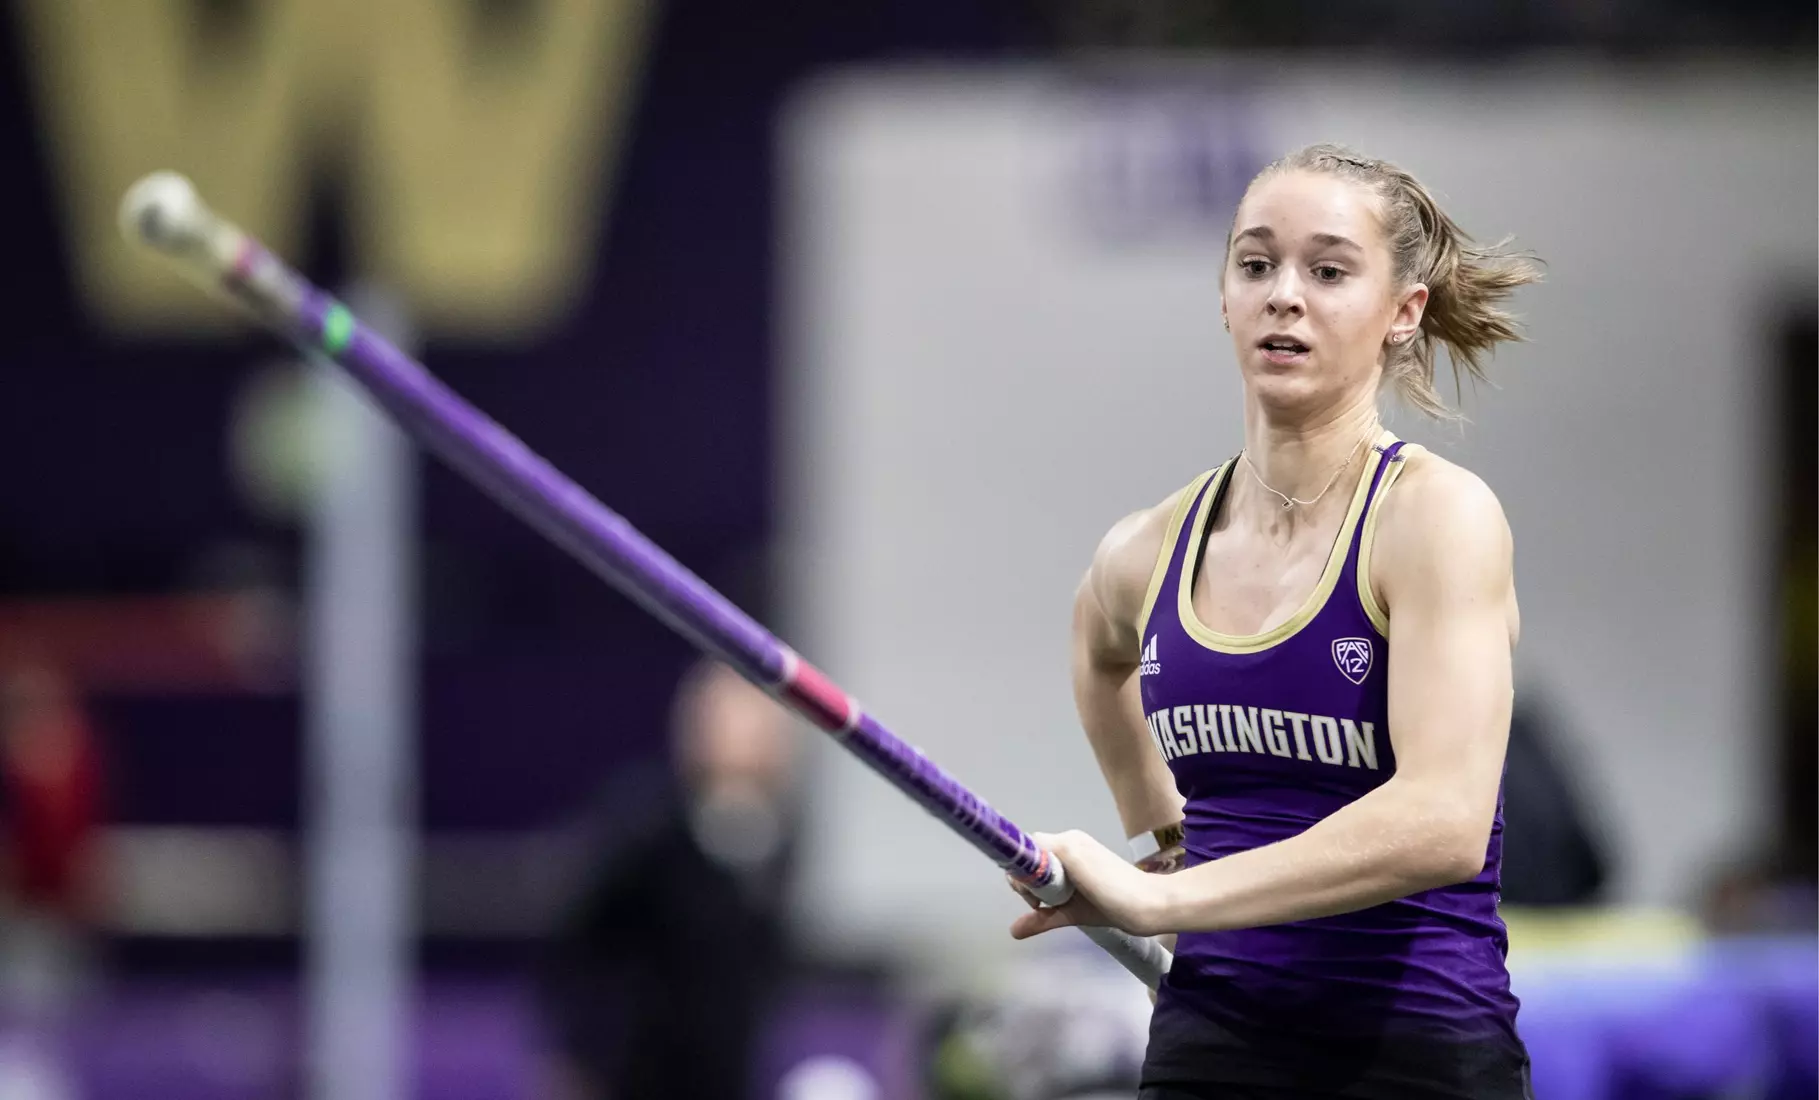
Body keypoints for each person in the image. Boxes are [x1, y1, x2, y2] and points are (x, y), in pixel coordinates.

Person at [1007, 144, 1542, 1099]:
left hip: (1412, 1051)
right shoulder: (1147, 549)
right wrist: (1158, 832)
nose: (1283, 295)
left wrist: (1161, 894)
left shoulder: (1433, 519)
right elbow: (1098, 656)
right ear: (1223, 297)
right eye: (1255, 265)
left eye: (1328, 271)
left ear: (1403, 312)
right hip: (1210, 1045)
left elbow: (1443, 822)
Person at [537, 655, 801, 1100]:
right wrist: (574, 1061)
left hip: (728, 1079)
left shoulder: (780, 841)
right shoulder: (645, 826)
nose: (741, 733)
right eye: (724, 718)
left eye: (756, 720)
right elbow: (574, 953)